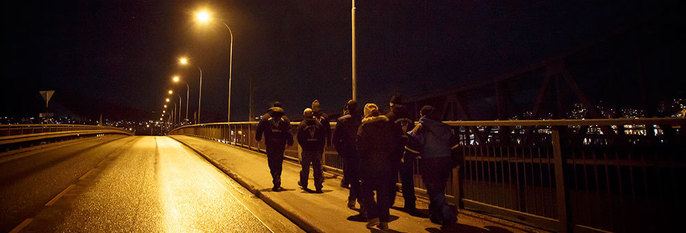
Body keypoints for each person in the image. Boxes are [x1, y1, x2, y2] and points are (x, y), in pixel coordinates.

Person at [405, 105, 460, 228]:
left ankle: (447, 214)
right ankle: (435, 215)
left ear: (421, 114)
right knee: (439, 188)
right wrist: (456, 161)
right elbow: (455, 146)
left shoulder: (420, 127)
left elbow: (412, 147)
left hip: (429, 162)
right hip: (445, 161)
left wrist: (406, 161)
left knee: (433, 189)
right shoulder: (445, 127)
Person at [357, 103, 402, 230]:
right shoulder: (387, 124)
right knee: (383, 191)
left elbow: (360, 146)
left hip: (369, 163)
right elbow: (393, 143)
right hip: (384, 162)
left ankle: (372, 216)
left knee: (366, 189)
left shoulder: (364, 126)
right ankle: (384, 221)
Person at [385, 95, 419, 215]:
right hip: (407, 150)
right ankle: (410, 205)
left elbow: (386, 135)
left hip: (393, 152)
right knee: (407, 178)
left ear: (392, 105)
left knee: (391, 178)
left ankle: (389, 202)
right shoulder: (410, 116)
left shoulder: (390, 116)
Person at [256, 105, 293, 191]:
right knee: (279, 161)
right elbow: (289, 131)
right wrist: (290, 142)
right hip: (281, 143)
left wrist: (258, 139)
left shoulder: (265, 117)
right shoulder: (285, 118)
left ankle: (275, 177)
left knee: (271, 161)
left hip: (270, 143)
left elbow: (259, 128)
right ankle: (278, 178)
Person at [333, 100, 362, 209]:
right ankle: (353, 200)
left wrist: (341, 152)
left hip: (348, 152)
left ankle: (360, 202)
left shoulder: (342, 121)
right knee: (357, 177)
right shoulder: (361, 120)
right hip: (360, 152)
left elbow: (335, 139)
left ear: (347, 109)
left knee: (353, 178)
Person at [297, 108, 326, 193]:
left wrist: (304, 146)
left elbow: (299, 138)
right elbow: (322, 138)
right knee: (317, 169)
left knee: (305, 168)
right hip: (316, 150)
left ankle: (304, 184)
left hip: (306, 150)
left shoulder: (302, 125)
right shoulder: (318, 124)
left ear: (304, 115)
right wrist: (320, 148)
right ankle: (318, 186)